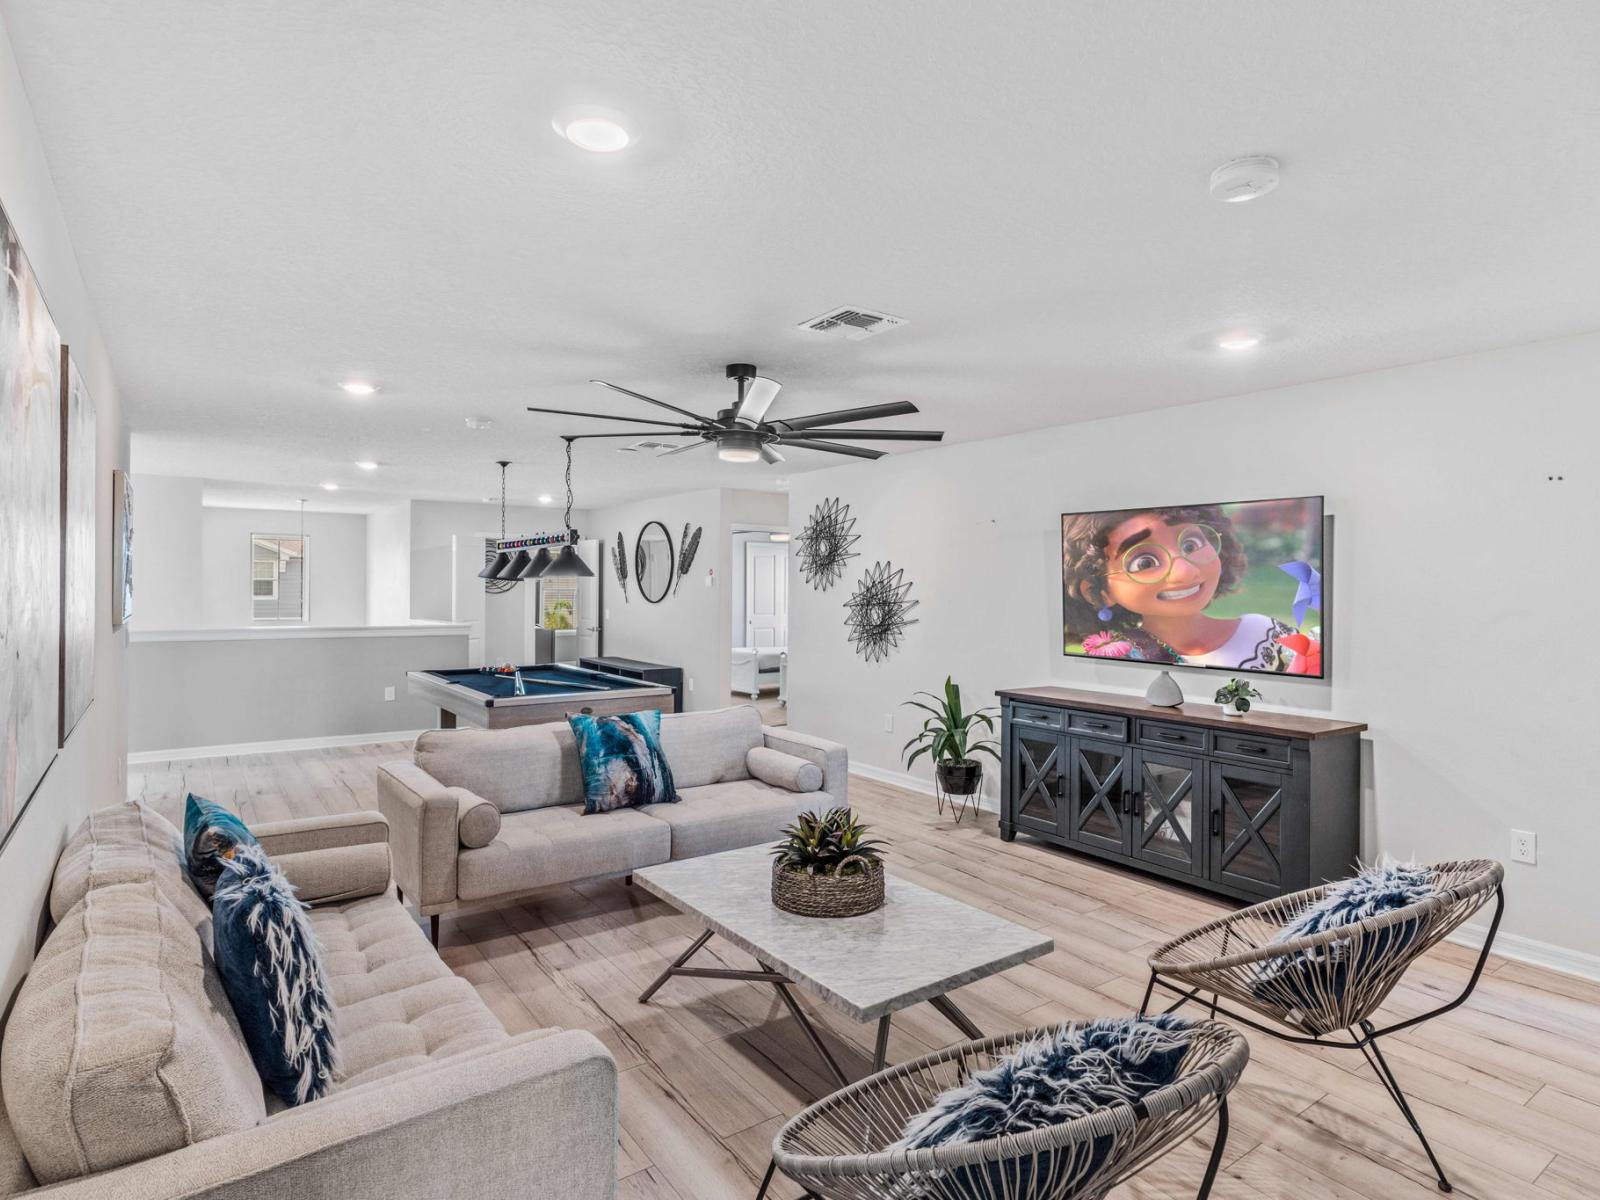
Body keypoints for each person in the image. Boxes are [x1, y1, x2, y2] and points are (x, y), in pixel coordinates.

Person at [1062, 505, 1295, 671]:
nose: (1185, 571)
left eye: (1191, 544)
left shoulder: (1265, 633)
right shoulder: (1121, 657)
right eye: (1144, 562)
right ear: (1097, 591)